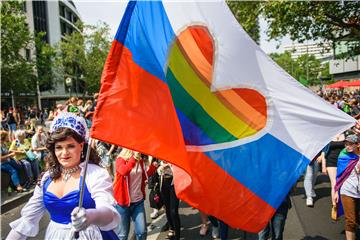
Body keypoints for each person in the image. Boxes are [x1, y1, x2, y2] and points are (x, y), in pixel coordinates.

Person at [6, 112, 120, 240]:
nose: (64, 153)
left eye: (70, 146)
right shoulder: (47, 178)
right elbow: (27, 220)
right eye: (59, 147)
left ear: (81, 146)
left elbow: (108, 212)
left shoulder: (96, 174)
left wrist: (91, 216)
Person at [113, 148, 157, 240]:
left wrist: (153, 167)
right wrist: (133, 158)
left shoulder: (139, 161)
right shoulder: (120, 159)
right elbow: (123, 171)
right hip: (123, 203)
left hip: (138, 201)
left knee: (142, 232)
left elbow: (144, 175)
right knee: (123, 235)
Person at [333, 134, 360, 240]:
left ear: (357, 145)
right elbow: (339, 176)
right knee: (350, 221)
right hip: (347, 191)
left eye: (350, 144)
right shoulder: (343, 157)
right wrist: (336, 192)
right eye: (346, 144)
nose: (347, 146)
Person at [158, 161, 181, 240]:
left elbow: (180, 167)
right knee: (167, 209)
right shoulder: (160, 153)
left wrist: (169, 165)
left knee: (173, 211)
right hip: (163, 183)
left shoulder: (176, 152)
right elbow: (158, 170)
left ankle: (177, 235)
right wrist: (160, 168)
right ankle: (171, 228)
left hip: (174, 183)